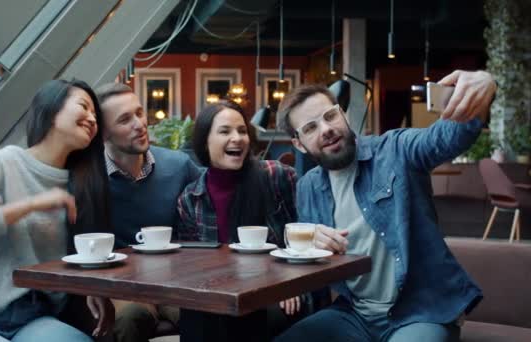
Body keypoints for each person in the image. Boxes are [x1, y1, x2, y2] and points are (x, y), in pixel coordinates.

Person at [273, 70, 497, 342]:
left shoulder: (395, 150)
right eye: (311, 128)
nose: (326, 129)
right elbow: (310, 259)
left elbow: (444, 138)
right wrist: (304, 246)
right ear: (299, 144)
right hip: (355, 314)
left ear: (343, 114)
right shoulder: (308, 186)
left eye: (330, 116)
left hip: (420, 310)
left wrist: (484, 86)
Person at [0, 79, 114, 341]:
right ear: (51, 108)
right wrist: (31, 204)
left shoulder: (81, 186)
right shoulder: (3, 162)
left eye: (96, 114)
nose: (92, 118)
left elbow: (75, 256)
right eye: (84, 106)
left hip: (33, 317)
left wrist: (93, 286)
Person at [176, 100, 306, 337]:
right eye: (225, 131)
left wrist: (291, 282)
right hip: (220, 292)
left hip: (277, 287)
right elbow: (191, 266)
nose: (237, 138)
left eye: (242, 131)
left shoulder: (277, 175)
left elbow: (306, 234)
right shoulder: (190, 198)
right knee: (198, 314)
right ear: (205, 141)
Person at [94, 82, 200, 342]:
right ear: (103, 134)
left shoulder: (179, 165)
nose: (140, 124)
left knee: (205, 314)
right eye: (125, 120)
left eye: (139, 113)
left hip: (175, 280)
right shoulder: (88, 177)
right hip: (120, 285)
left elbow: (212, 203)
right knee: (129, 317)